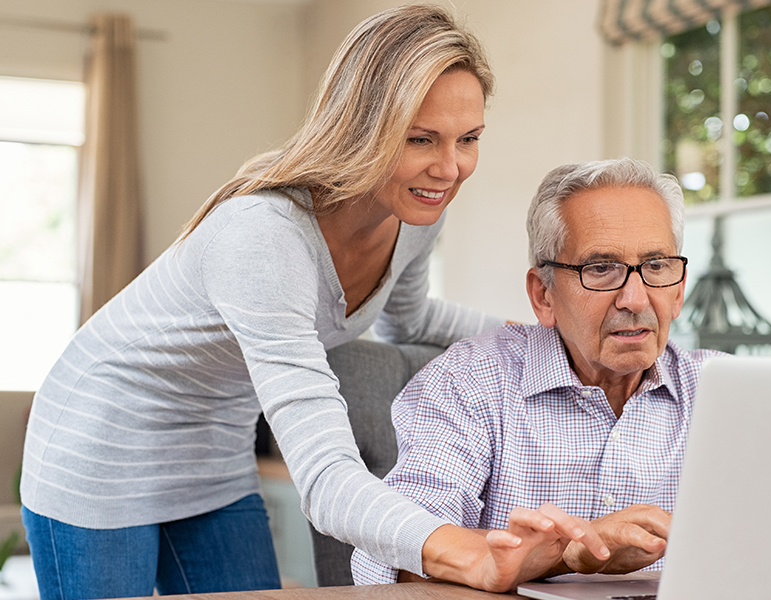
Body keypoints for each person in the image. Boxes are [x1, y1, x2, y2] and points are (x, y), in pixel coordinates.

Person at [19, 6, 608, 599]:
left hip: (213, 452)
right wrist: (463, 550)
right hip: (101, 440)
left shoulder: (416, 213)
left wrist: (550, 336)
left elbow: (413, 318)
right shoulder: (264, 235)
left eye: (469, 139)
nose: (450, 168)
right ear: (362, 127)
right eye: (420, 138)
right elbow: (327, 479)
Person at [352, 157, 728, 584]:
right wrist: (564, 556)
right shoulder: (468, 381)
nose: (636, 299)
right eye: (601, 268)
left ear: (679, 291)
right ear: (543, 295)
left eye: (657, 266)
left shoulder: (727, 394)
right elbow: (395, 559)